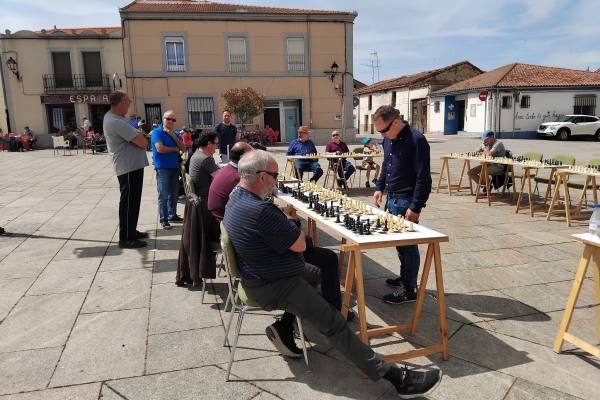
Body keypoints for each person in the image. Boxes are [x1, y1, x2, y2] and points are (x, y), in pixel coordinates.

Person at [223, 150, 441, 398]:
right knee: (335, 324)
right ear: (261, 177)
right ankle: (397, 379)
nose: (277, 181)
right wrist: (290, 222)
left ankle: (287, 326)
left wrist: (283, 222)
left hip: (259, 272)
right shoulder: (262, 211)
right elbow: (300, 245)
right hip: (274, 284)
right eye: (275, 176)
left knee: (319, 271)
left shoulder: (235, 197)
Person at [372, 105, 432, 304]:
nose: (382, 135)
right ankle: (405, 276)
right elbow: (386, 165)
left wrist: (415, 207)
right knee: (399, 243)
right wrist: (379, 187)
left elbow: (423, 178)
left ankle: (409, 289)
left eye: (383, 130)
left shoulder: (417, 140)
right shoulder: (389, 139)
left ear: (396, 122)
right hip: (392, 198)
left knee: (408, 245)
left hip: (406, 200)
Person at [103, 91, 149, 249]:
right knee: (129, 202)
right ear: (121, 102)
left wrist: (137, 138)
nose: (129, 104)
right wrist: (138, 138)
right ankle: (126, 238)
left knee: (133, 201)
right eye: (128, 101)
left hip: (131, 165)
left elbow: (139, 139)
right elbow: (142, 142)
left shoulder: (117, 119)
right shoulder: (116, 122)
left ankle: (131, 231)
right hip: (128, 167)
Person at [151, 110, 186, 230]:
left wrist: (172, 136)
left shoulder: (175, 133)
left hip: (174, 167)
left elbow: (183, 148)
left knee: (174, 194)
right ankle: (164, 219)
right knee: (163, 194)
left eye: (173, 119)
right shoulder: (157, 132)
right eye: (168, 119)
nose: (170, 121)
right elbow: (160, 148)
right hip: (162, 168)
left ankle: (172, 215)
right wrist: (175, 149)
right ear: (163, 119)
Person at [207, 141, 253, 222]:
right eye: (253, 155)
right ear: (243, 157)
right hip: (224, 222)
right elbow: (251, 205)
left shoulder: (227, 169)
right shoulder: (237, 177)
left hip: (215, 217)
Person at [189, 131, 220, 199]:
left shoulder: (197, 153)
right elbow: (221, 178)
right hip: (207, 197)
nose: (217, 146)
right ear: (209, 143)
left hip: (199, 194)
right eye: (216, 144)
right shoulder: (206, 159)